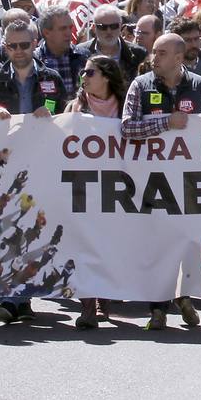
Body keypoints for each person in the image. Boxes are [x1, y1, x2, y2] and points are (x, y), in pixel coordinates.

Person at [121, 33, 201, 330]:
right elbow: (127, 128)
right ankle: (157, 308)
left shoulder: (199, 85)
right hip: (152, 180)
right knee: (156, 243)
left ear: (178, 58)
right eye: (154, 52)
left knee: (185, 242)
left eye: (160, 53)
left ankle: (183, 296)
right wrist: (165, 123)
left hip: (187, 180)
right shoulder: (141, 84)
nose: (153, 58)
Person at [68, 54, 128, 329]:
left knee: (110, 245)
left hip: (118, 184)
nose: (84, 77)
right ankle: (87, 305)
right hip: (83, 184)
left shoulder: (125, 105)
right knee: (84, 244)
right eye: (83, 72)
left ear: (106, 76)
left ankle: (106, 298)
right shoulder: (76, 106)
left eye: (90, 72)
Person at [77, 5, 145, 81]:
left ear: (120, 26)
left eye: (114, 26)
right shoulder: (79, 53)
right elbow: (77, 85)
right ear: (94, 28)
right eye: (103, 27)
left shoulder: (138, 54)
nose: (108, 31)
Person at [34, 5, 88, 93]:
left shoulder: (83, 57)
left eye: (70, 27)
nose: (69, 33)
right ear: (46, 32)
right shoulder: (35, 61)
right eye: (63, 29)